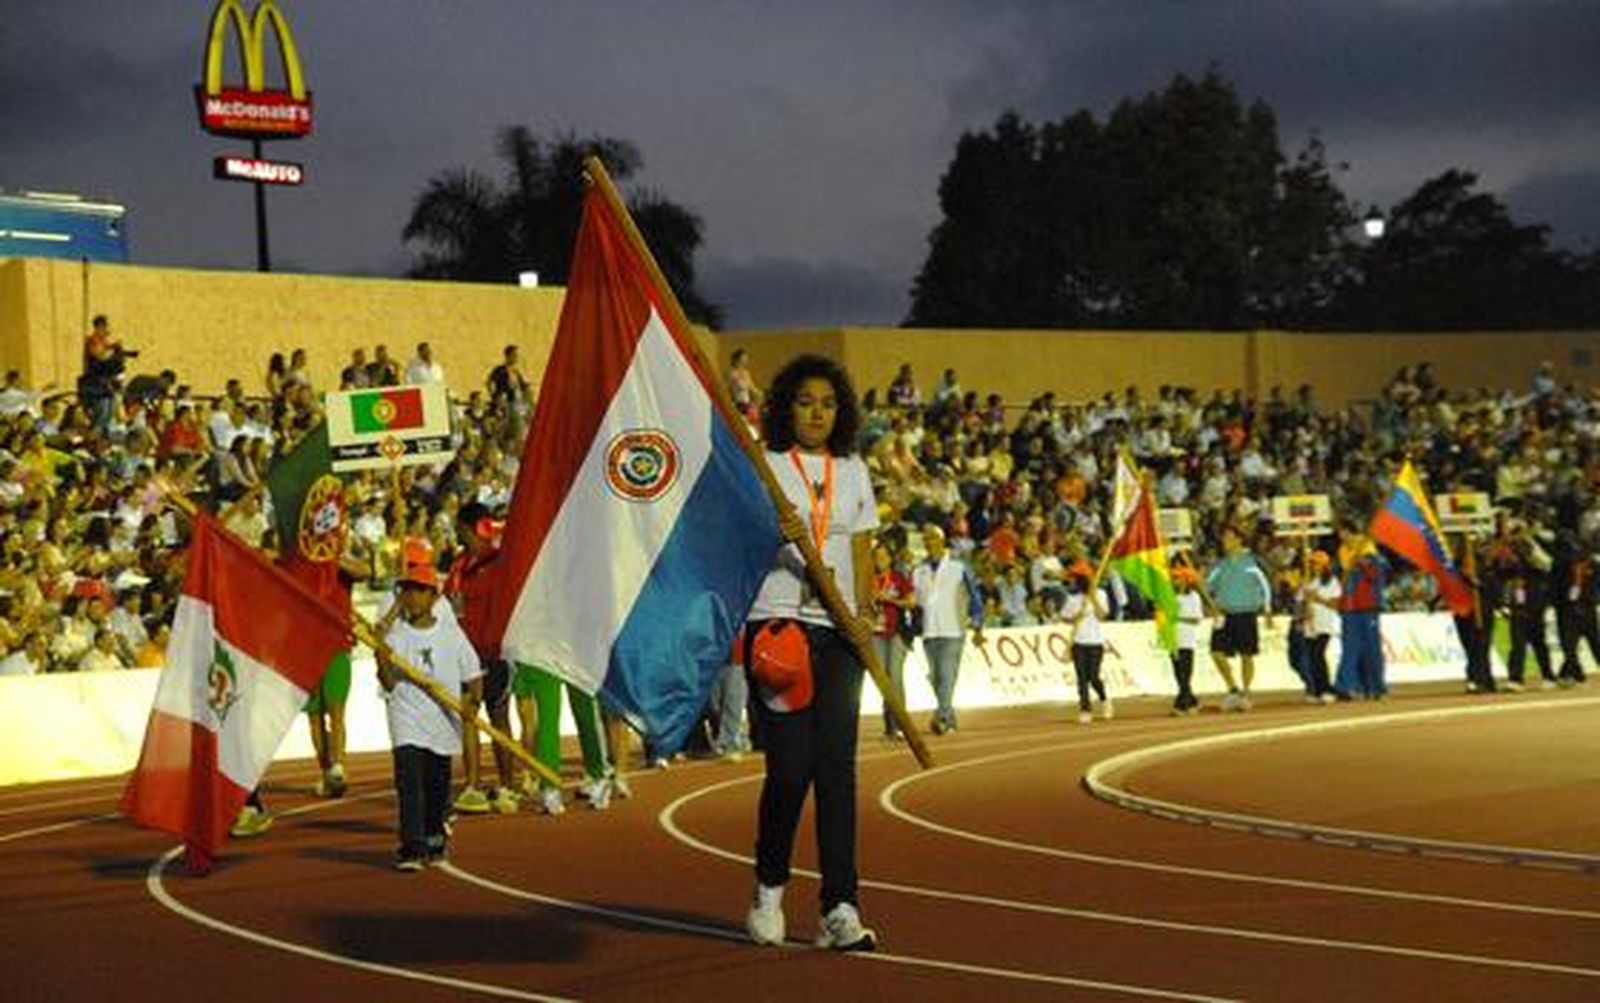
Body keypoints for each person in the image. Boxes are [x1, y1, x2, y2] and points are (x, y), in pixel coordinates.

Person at [743, 353, 879, 952]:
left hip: (841, 632)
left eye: (827, 403)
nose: (817, 413)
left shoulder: (852, 469)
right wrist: (777, 529)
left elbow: (864, 548)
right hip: (781, 628)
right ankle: (770, 885)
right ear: (785, 408)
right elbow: (741, 536)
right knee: (791, 769)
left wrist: (866, 614)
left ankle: (840, 906)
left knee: (837, 774)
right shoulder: (766, 465)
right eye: (805, 402)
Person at [377, 556, 483, 871]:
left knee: (436, 784)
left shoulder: (451, 636)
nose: (412, 597)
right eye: (407, 590)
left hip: (442, 720)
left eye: (420, 590)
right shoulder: (395, 638)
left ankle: (434, 836)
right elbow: (388, 682)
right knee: (408, 781)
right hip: (406, 717)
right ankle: (411, 847)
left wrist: (471, 705)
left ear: (434, 596)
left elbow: (474, 676)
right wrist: (379, 655)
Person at [444, 505, 522, 815]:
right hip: (465, 656)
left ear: (471, 527)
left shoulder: (500, 562)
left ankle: (507, 786)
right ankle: (473, 786)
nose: (456, 533)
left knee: (499, 719)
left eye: (459, 527)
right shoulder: (458, 567)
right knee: (468, 719)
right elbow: (450, 605)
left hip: (495, 653)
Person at [912, 524, 984, 735]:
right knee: (935, 677)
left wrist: (978, 625)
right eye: (926, 539)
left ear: (942, 541)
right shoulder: (919, 571)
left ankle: (941, 718)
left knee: (946, 674)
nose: (929, 543)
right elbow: (914, 602)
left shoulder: (959, 567)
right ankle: (948, 716)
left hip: (953, 629)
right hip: (929, 631)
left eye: (933, 538)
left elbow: (975, 597)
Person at [1204, 524, 1273, 711]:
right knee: (1216, 652)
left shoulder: (1253, 562)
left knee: (1246, 655)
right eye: (1223, 538)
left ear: (1238, 539)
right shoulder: (1219, 565)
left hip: (1246, 613)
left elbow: (1265, 586)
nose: (1224, 541)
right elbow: (1206, 587)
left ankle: (1246, 692)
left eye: (1228, 537)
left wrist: (1267, 610)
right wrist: (1209, 602)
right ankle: (1233, 689)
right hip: (1225, 615)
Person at [1334, 522, 1388, 700]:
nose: (1341, 536)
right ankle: (1347, 686)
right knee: (1349, 649)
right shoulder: (1343, 552)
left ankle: (1377, 687)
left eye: (1343, 532)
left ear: (1350, 532)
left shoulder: (1368, 551)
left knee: (1371, 649)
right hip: (1349, 608)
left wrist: (1363, 564)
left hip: (1367, 608)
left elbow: (1377, 577)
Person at [869, 540, 914, 740]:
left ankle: (902, 724)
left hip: (896, 633)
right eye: (877, 556)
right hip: (875, 634)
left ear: (890, 558)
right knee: (883, 680)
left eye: (884, 556)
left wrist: (891, 600)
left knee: (895, 678)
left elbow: (911, 602)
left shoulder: (898, 578)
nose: (880, 560)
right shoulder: (868, 579)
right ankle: (890, 726)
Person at [1062, 560, 1112, 724]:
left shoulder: (1101, 594)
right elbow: (1065, 617)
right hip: (1078, 642)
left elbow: (1102, 616)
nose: (1074, 581)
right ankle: (1085, 708)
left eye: (1077, 578)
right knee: (1082, 677)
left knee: (1093, 676)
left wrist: (1092, 599)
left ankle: (1104, 699)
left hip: (1095, 642)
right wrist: (1075, 617)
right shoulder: (1073, 598)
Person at [1301, 550, 1341, 702]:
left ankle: (1325, 688)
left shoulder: (1331, 582)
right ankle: (1316, 690)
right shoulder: (1309, 581)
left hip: (1324, 624)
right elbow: (1301, 600)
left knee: (1318, 655)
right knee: (1311, 658)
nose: (1313, 566)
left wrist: (1317, 598)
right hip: (1310, 625)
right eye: (1312, 563)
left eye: (1317, 563)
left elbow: (1335, 603)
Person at [1169, 564, 1204, 715]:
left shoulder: (1194, 597)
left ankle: (1183, 704)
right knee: (1178, 672)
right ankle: (1190, 700)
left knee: (1185, 672)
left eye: (1178, 578)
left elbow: (1197, 619)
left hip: (1187, 640)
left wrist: (1178, 618)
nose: (1175, 581)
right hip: (1173, 638)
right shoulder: (1171, 596)